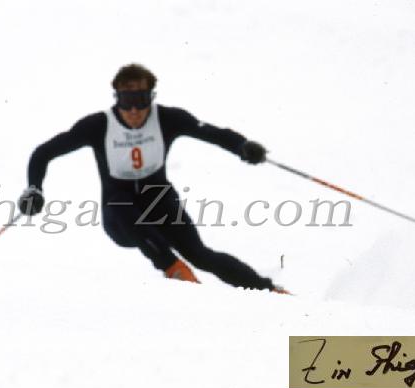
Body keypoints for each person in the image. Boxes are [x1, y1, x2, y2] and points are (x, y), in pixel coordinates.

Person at [19, 63, 289, 294]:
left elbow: (213, 133)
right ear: (116, 98)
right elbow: (43, 153)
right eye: (126, 101)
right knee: (121, 204)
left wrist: (243, 147)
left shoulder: (167, 119)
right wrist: (34, 189)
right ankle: (174, 270)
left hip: (159, 201)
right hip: (121, 217)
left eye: (141, 100)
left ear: (151, 97)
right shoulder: (98, 125)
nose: (134, 111)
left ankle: (267, 290)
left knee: (200, 254)